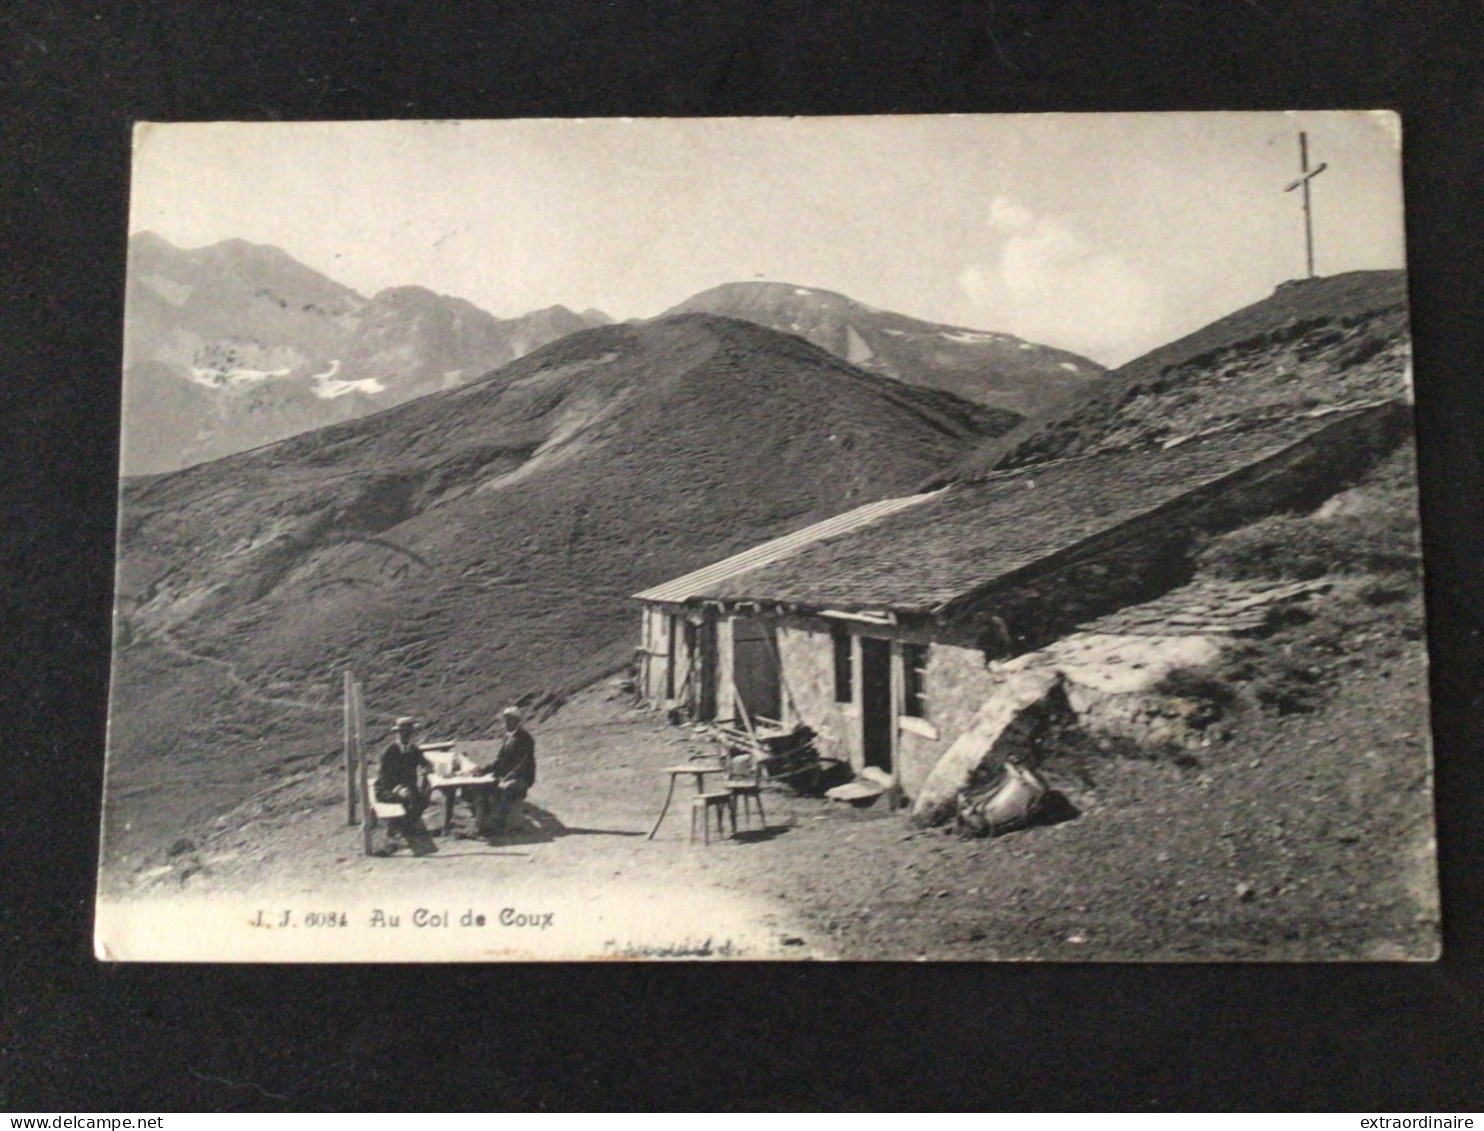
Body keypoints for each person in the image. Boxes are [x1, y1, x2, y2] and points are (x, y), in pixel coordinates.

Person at [470, 706, 537, 836]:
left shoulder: (525, 739)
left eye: (510, 720)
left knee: (506, 788)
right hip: (507, 775)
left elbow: (523, 763)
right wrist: (484, 770)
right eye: (505, 720)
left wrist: (509, 777)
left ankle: (498, 825)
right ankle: (482, 823)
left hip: (523, 777)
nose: (506, 723)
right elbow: (500, 760)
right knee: (483, 786)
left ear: (517, 721)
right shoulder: (507, 737)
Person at [374, 716, 432, 841]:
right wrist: (398, 789)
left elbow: (425, 763)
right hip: (388, 789)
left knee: (425, 798)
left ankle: (408, 825)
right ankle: (399, 829)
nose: (406, 736)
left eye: (409, 733)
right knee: (406, 798)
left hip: (409, 788)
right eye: (403, 733)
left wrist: (427, 768)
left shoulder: (413, 749)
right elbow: (383, 777)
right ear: (397, 734)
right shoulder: (389, 751)